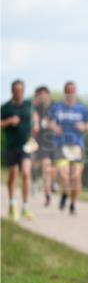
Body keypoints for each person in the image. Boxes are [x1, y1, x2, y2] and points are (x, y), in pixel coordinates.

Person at [50, 81, 88, 215]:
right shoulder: (57, 108)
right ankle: (64, 193)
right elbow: (47, 121)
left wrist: (85, 127)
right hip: (61, 145)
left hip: (77, 146)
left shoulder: (83, 109)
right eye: (68, 91)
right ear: (65, 92)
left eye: (72, 91)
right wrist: (53, 127)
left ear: (75, 92)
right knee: (64, 176)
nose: (70, 93)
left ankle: (73, 203)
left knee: (76, 178)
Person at [1, 79, 35, 220]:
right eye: (16, 91)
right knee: (13, 174)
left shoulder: (28, 105)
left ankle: (25, 207)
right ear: (12, 91)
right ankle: (11, 203)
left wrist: (37, 124)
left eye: (21, 90)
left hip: (26, 145)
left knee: (26, 173)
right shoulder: (6, 107)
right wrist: (9, 121)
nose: (19, 93)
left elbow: (35, 118)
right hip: (11, 145)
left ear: (24, 91)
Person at [32, 85, 58, 206]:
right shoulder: (37, 108)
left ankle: (52, 184)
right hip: (43, 142)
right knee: (46, 167)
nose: (42, 97)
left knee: (56, 169)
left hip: (57, 141)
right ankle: (47, 194)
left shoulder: (55, 106)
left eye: (44, 94)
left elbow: (56, 122)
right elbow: (34, 120)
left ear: (48, 94)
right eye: (39, 95)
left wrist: (50, 124)